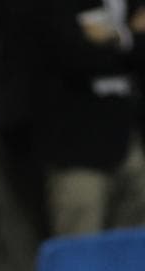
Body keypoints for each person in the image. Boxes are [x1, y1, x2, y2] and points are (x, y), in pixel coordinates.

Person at [31, 0, 145, 235]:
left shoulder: (135, 5)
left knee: (133, 243)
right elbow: (75, 54)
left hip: (128, 140)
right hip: (76, 146)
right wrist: (130, 38)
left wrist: (116, 39)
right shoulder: (62, 6)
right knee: (81, 240)